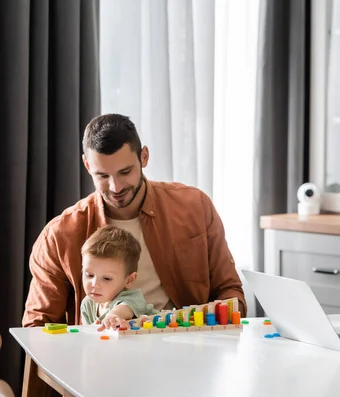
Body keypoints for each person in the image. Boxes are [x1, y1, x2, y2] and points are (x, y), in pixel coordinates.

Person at [23, 113, 246, 327]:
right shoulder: (59, 235)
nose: (115, 187)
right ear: (87, 166)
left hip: (187, 348)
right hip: (102, 357)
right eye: (102, 176)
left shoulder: (194, 206)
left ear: (144, 157)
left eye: (125, 171)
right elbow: (37, 326)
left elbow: (230, 291)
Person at [80, 225, 159, 331]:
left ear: (129, 280)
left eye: (107, 278)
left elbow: (124, 309)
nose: (94, 284)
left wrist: (113, 316)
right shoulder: (87, 304)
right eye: (89, 275)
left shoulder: (133, 298)